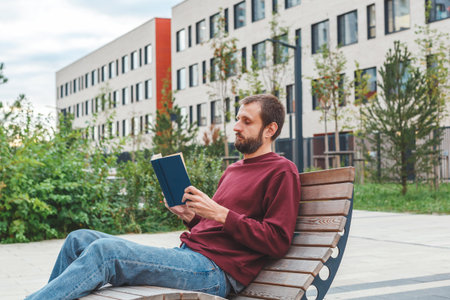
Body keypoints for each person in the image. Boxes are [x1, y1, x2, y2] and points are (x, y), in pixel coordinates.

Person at [26, 94, 300, 300]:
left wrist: (219, 212)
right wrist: (192, 217)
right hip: (190, 256)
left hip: (216, 272)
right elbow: (218, 229)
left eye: (246, 121)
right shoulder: (233, 169)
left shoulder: (281, 171)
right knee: (79, 239)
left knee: (105, 254)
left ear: (270, 130)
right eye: (237, 118)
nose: (236, 126)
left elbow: (276, 240)